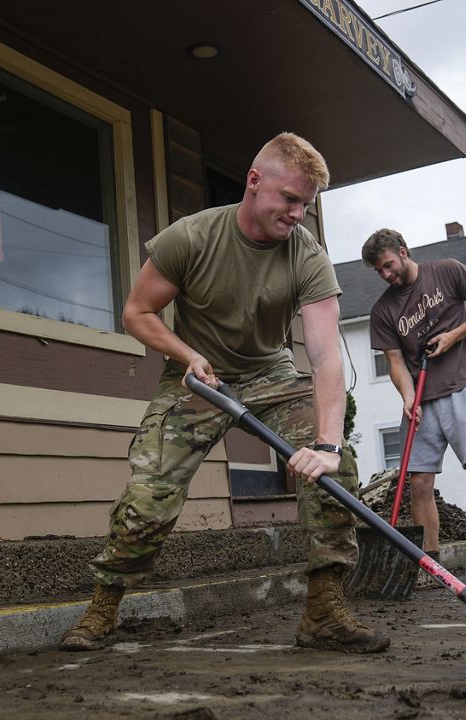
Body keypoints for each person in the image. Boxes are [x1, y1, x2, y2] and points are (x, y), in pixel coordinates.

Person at [61, 133, 389, 654]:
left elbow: (326, 357)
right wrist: (185, 353)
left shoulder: (307, 255)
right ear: (255, 182)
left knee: (336, 472)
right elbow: (137, 313)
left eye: (306, 204)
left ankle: (324, 611)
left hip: (272, 375)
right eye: (289, 199)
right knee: (150, 495)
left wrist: (327, 446)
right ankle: (104, 606)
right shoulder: (190, 238)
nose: (298, 214)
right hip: (198, 375)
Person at [361, 228, 466, 587]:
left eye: (388, 265)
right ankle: (431, 567)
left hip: (462, 390)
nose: (386, 275)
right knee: (419, 484)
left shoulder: (449, 270)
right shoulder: (383, 310)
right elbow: (394, 362)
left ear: (403, 252)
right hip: (421, 402)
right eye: (379, 271)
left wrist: (454, 335)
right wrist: (407, 396)